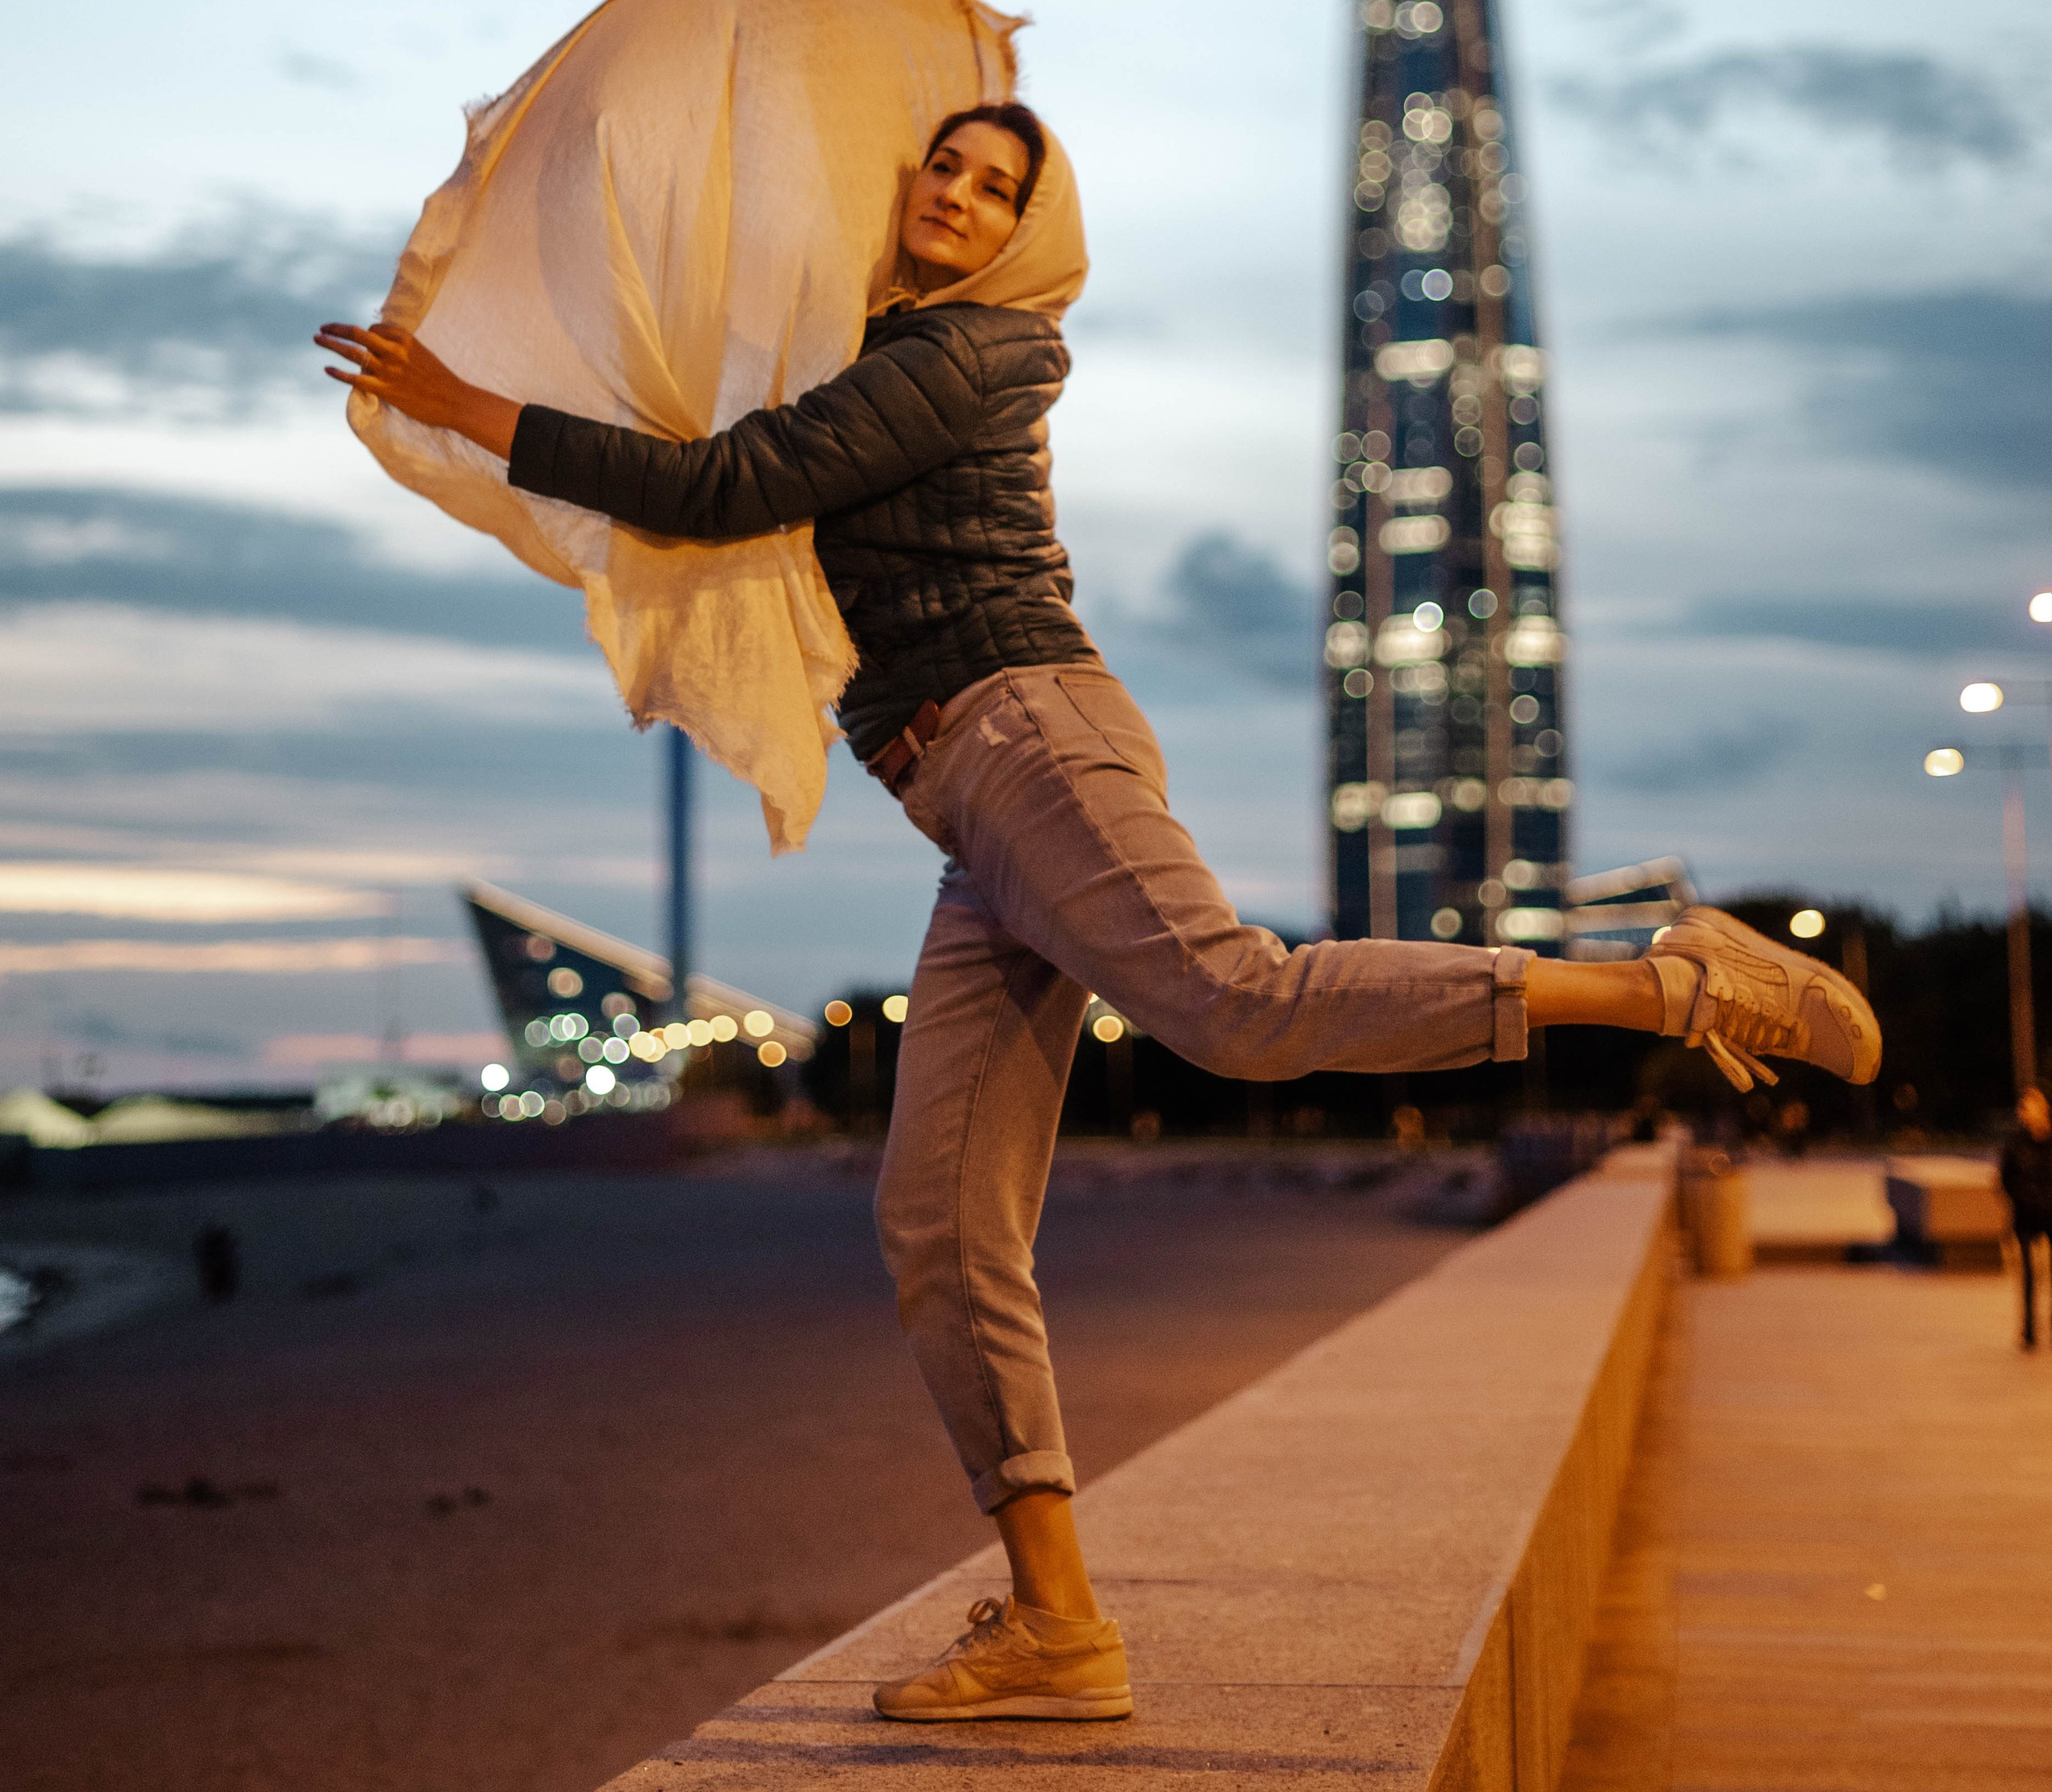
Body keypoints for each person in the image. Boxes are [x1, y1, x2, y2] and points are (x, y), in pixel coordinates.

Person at [318, 99, 1883, 1725]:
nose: (957, 191)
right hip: (965, 800)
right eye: (939, 161)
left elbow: (734, 482)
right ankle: (1056, 1623)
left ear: (1019, 233)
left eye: (994, 185)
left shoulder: (982, 353)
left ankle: (1661, 982)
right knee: (937, 1221)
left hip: (1024, 737)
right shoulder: (866, 336)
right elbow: (753, 218)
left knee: (1232, 1004)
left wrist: (478, 411)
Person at [2000, 1087, 2052, 1349]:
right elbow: (2005, 1179)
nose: (2025, 1112)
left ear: (2044, 1109)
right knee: (2029, 1274)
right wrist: (2023, 1197)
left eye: (2030, 1106)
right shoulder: (2015, 1143)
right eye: (2023, 1108)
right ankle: (2029, 1329)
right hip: (2025, 1216)